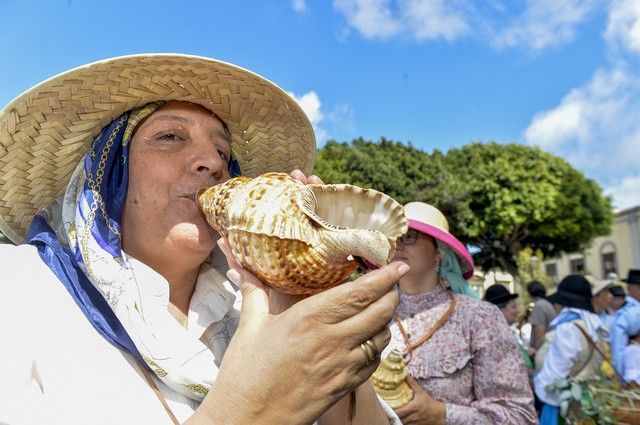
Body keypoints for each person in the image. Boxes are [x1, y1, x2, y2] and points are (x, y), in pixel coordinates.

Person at [0, 54, 404, 424]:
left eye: (223, 153)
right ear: (107, 170)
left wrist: (310, 309)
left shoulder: (243, 306)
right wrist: (253, 410)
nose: (212, 162)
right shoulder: (19, 288)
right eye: (170, 136)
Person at [383, 202, 537, 425]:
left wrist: (441, 414)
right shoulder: (371, 318)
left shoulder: (479, 318)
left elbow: (520, 416)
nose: (397, 244)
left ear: (439, 253)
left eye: (408, 236)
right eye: (392, 236)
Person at [534, 274, 607, 425]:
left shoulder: (569, 329)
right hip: (588, 401)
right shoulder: (595, 325)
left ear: (562, 302)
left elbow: (554, 378)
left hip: (564, 407)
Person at [484, 284, 534, 370]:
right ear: (499, 310)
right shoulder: (496, 336)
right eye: (513, 307)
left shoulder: (506, 331)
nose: (517, 311)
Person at [610, 269, 640, 379]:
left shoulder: (626, 312)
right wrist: (621, 376)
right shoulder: (628, 313)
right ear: (632, 288)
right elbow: (618, 348)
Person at [526, 280, 557, 351]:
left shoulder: (538, 306)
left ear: (530, 293)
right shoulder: (547, 304)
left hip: (544, 351)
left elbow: (540, 333)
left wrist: (536, 351)